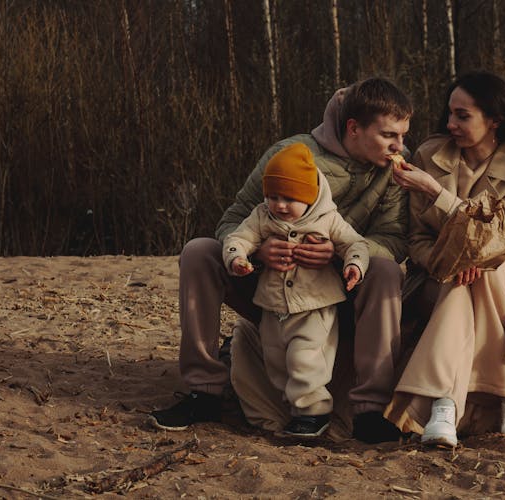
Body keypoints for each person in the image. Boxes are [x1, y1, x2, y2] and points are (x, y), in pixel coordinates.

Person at [149, 77, 413, 444]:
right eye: (390, 136)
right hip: (272, 289)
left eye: (402, 136)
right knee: (198, 252)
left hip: (339, 295)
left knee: (384, 270)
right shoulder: (289, 155)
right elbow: (231, 222)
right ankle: (203, 391)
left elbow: (395, 240)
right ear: (354, 128)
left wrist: (339, 256)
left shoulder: (395, 171)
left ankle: (369, 410)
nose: (400, 146)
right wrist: (257, 253)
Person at [387, 70, 505, 446]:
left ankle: (443, 404)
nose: (450, 123)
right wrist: (450, 263)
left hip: (502, 267)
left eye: (463, 116)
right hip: (435, 272)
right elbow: (415, 238)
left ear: (495, 120)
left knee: (479, 277)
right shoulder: (427, 155)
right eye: (449, 113)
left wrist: (437, 192)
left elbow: (497, 236)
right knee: (460, 282)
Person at [222, 142, 369, 438]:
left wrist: (353, 265)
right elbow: (239, 237)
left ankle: (314, 413)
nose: (279, 205)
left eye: (289, 198)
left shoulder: (327, 219)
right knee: (276, 360)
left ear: (309, 196)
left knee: (305, 359)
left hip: (315, 306)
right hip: (273, 306)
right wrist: (238, 257)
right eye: (272, 196)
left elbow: (355, 244)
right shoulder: (263, 216)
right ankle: (292, 409)